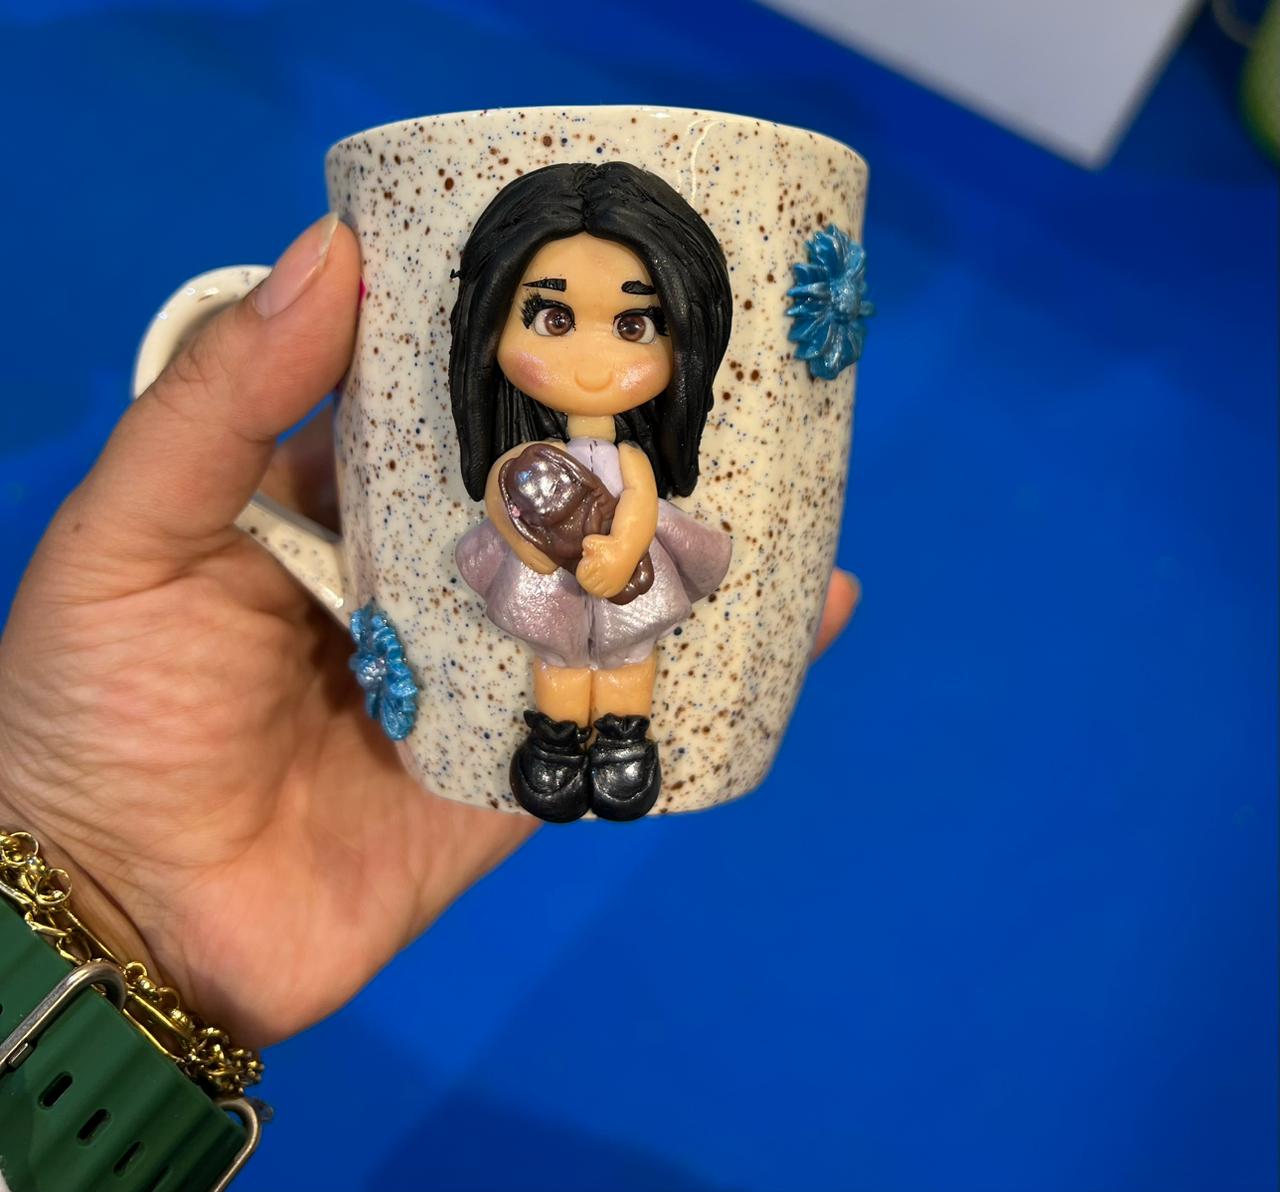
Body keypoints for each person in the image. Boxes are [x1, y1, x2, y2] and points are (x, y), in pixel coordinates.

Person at [0, 217, 858, 1188]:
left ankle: (622, 739)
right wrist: (85, 859)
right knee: (557, 663)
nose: (591, 356)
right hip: (551, 581)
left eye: (633, 325)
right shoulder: (519, 459)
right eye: (550, 317)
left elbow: (637, 509)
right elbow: (508, 513)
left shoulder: (631, 458)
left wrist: (619, 547)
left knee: (625, 659)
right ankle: (554, 740)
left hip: (616, 574)